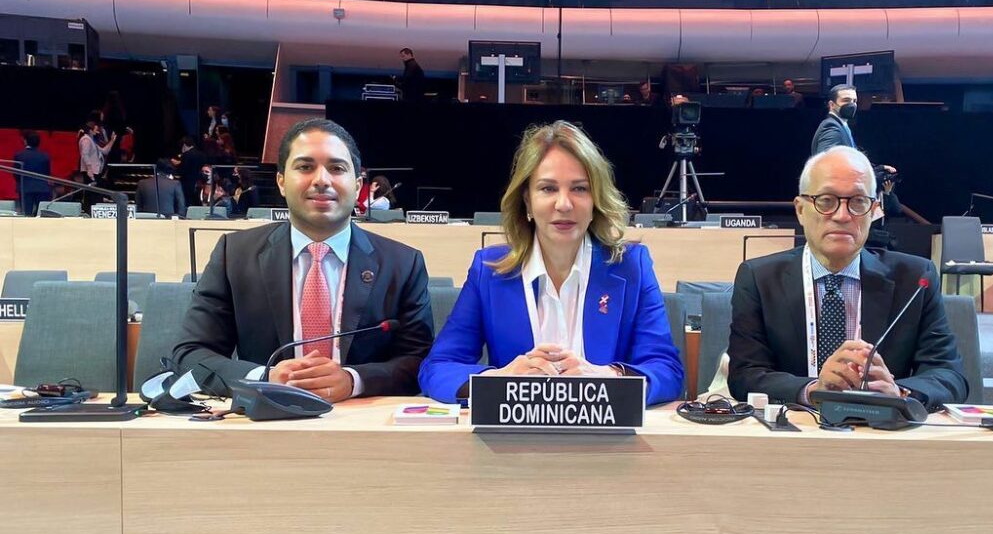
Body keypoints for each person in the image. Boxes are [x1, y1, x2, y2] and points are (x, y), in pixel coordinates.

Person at [419, 120, 683, 405]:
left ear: (596, 200)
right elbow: (438, 368)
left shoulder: (631, 266)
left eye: (579, 189)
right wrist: (497, 380)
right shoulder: (489, 270)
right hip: (515, 429)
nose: (564, 204)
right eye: (548, 188)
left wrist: (609, 376)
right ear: (527, 201)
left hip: (605, 430)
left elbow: (666, 370)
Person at [172, 118, 435, 400]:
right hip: (267, 416)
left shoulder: (403, 264)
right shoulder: (234, 255)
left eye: (337, 168)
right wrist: (265, 377)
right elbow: (191, 354)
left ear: (358, 184)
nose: (321, 180)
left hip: (363, 417)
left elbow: (419, 361)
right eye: (305, 167)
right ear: (281, 182)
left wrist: (354, 380)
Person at [727, 146, 967, 409]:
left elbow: (949, 375)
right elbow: (745, 375)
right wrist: (813, 390)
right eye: (826, 200)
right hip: (798, 424)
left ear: (874, 210)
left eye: (858, 202)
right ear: (800, 210)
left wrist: (899, 393)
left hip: (881, 427)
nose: (842, 216)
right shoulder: (759, 279)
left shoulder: (914, 279)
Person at [13, 130, 51, 216]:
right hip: (42, 188)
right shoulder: (45, 156)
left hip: (25, 188)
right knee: (42, 215)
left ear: (25, 141)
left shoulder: (19, 155)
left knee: (26, 214)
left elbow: (16, 174)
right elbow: (47, 173)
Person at [172, 135, 208, 203]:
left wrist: (176, 166)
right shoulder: (202, 154)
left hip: (187, 184)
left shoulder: (186, 155)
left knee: (187, 201)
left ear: (184, 145)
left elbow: (182, 170)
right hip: (199, 183)